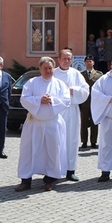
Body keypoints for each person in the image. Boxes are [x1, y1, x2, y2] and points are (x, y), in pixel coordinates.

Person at [16, 57, 71, 192]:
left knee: (52, 152)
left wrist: (51, 100)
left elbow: (66, 100)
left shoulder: (59, 84)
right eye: (45, 68)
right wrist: (39, 100)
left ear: (54, 69)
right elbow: (24, 99)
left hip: (52, 124)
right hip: (34, 123)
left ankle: (49, 180)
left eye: (50, 68)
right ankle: (26, 180)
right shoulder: (32, 82)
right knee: (29, 152)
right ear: (40, 69)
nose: (48, 70)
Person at [53, 49, 89, 180]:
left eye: (69, 59)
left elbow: (85, 90)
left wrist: (73, 90)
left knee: (72, 140)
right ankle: (55, 169)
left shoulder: (76, 74)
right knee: (57, 140)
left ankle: (70, 170)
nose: (67, 61)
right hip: (57, 111)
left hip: (72, 110)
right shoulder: (54, 73)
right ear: (59, 59)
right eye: (64, 58)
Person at [79, 55, 103, 149]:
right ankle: (84, 141)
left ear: (93, 63)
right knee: (84, 123)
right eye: (87, 61)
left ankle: (93, 142)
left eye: (90, 61)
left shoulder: (99, 74)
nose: (89, 63)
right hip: (84, 102)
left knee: (94, 123)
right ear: (85, 63)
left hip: (95, 102)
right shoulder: (81, 75)